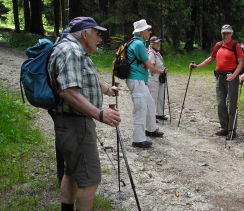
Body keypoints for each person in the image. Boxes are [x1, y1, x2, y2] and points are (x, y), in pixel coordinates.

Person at [48, 17, 121, 211]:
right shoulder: (71, 51)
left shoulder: (74, 50)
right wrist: (100, 114)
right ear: (84, 34)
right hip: (76, 123)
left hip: (71, 121)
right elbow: (68, 91)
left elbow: (84, 79)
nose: (99, 38)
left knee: (71, 172)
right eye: (97, 33)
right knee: (89, 181)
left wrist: (107, 90)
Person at [189, 24, 244, 140]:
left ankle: (231, 130)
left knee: (232, 105)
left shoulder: (236, 46)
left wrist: (234, 75)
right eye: (224, 33)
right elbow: (211, 58)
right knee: (220, 103)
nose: (225, 35)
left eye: (228, 33)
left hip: (231, 78)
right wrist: (197, 66)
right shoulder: (218, 45)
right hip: (219, 77)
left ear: (232, 33)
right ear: (221, 33)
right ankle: (224, 127)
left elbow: (241, 63)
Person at [126, 19, 166, 148]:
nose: (150, 32)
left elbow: (145, 63)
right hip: (136, 79)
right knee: (141, 109)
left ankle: (151, 129)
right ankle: (138, 139)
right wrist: (161, 71)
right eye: (148, 30)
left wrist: (145, 63)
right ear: (142, 31)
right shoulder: (138, 44)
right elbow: (149, 64)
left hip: (140, 80)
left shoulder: (137, 43)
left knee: (150, 104)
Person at [147, 36, 168, 121]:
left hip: (159, 78)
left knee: (160, 96)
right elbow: (151, 67)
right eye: (156, 43)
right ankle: (151, 116)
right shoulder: (151, 53)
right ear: (152, 44)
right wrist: (162, 71)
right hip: (153, 79)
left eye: (159, 42)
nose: (159, 44)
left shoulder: (157, 52)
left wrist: (163, 70)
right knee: (153, 98)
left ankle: (159, 114)